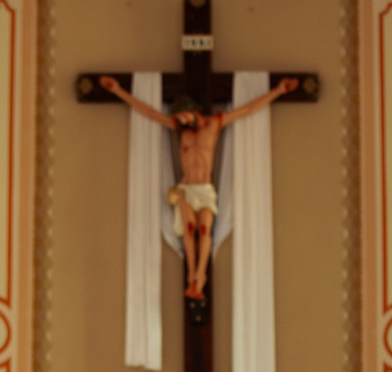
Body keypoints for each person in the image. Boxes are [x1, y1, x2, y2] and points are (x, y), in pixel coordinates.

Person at [97, 76, 298, 298]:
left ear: (193, 111)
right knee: (189, 229)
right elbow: (150, 113)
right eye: (178, 118)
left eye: (183, 116)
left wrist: (278, 91)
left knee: (204, 230)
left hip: (205, 189)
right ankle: (192, 276)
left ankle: (201, 276)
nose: (181, 121)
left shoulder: (214, 124)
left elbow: (248, 109)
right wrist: (118, 91)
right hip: (186, 188)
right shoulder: (179, 128)